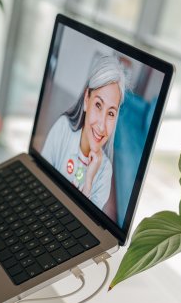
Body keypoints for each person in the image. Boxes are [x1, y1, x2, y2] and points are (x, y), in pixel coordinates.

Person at [40, 52, 126, 210]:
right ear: (87, 100)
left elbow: (87, 220)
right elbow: (40, 178)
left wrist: (89, 181)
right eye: (98, 105)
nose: (101, 126)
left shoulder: (105, 171)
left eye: (111, 113)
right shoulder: (63, 129)